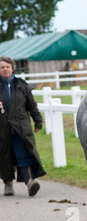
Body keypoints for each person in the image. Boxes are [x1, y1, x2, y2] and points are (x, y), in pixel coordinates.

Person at [0, 56, 45, 197]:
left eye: (7, 66)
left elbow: (32, 106)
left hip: (21, 128)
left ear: (13, 68)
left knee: (23, 153)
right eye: (1, 67)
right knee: (4, 156)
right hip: (2, 129)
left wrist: (38, 122)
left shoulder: (22, 86)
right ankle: (8, 184)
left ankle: (30, 183)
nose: (5, 69)